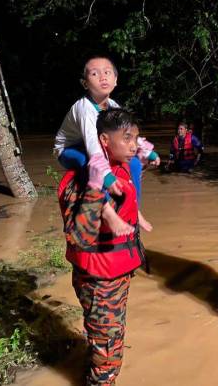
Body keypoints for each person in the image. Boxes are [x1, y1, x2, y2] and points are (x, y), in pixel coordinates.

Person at [58, 108, 149, 386]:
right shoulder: (83, 180)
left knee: (107, 339)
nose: (133, 145)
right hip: (99, 281)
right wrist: (97, 189)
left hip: (116, 275)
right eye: (126, 138)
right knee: (108, 354)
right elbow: (79, 237)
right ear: (104, 141)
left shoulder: (121, 168)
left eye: (135, 137)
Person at [54, 56, 159, 234]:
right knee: (87, 163)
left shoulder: (112, 105)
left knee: (133, 163)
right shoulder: (84, 108)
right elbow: (93, 147)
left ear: (115, 80)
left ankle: (135, 210)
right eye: (94, 74)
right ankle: (107, 212)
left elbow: (125, 132)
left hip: (96, 143)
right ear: (85, 83)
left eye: (107, 72)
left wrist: (145, 150)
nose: (102, 77)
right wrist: (107, 176)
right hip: (70, 149)